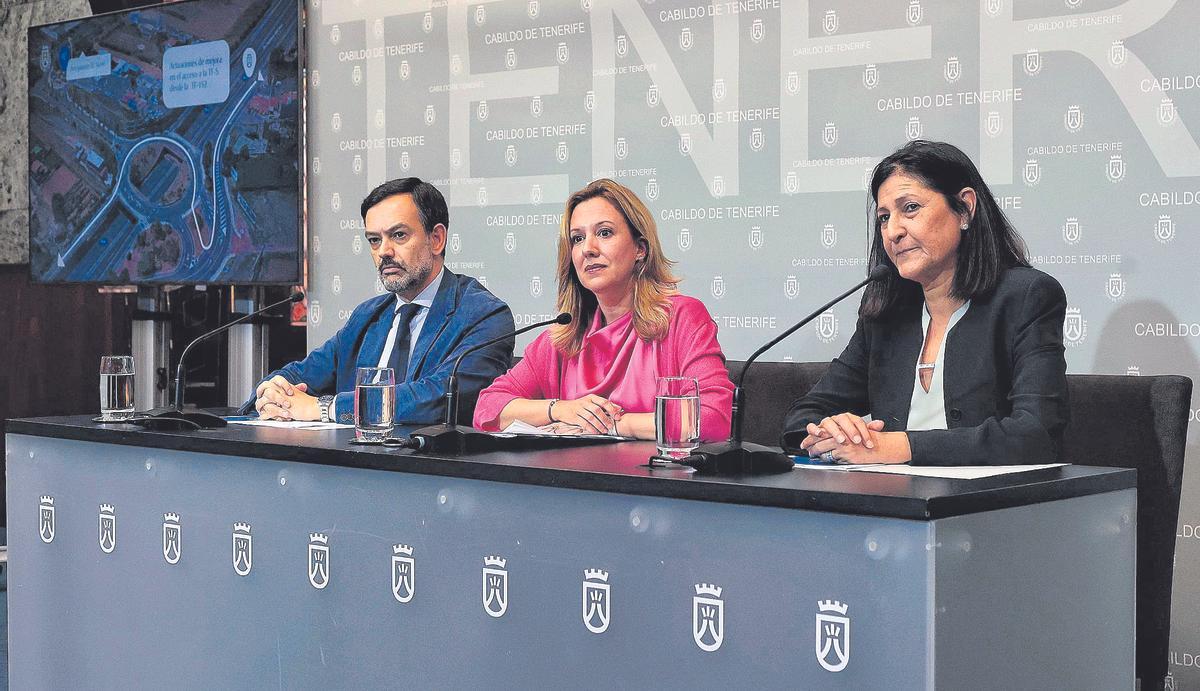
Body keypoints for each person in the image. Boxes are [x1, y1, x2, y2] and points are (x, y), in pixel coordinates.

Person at [781, 140, 1069, 466]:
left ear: (965, 209)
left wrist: (896, 447)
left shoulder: (1026, 297)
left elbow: (1036, 433)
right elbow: (802, 416)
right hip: (896, 506)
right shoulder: (886, 315)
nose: (893, 231)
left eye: (911, 208)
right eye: (884, 217)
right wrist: (828, 431)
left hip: (992, 507)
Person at [472, 178, 734, 440]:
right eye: (577, 238)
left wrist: (612, 425)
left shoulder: (681, 318)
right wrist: (561, 410)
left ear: (640, 249)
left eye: (605, 233)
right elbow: (488, 409)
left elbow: (711, 419)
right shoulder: (564, 336)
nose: (588, 249)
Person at [245, 177, 514, 424]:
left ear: (436, 239)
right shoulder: (368, 316)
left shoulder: (484, 315)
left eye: (398, 235)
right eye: (374, 240)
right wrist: (271, 393)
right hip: (351, 467)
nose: (384, 251)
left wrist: (325, 408)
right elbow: (303, 373)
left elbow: (441, 397)